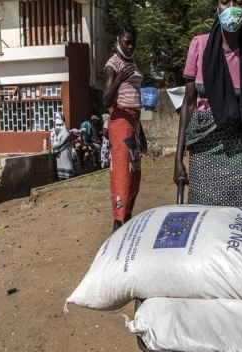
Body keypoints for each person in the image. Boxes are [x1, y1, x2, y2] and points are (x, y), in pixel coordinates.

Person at [174, 0, 242, 209]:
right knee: (203, 217)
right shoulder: (199, 45)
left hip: (240, 152)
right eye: (225, 2)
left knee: (238, 223)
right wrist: (178, 159)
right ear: (217, 6)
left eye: (239, 2)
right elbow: (187, 105)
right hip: (203, 151)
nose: (231, 8)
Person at [103, 21, 147, 233]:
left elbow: (135, 100)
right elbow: (106, 101)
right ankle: (117, 229)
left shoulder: (133, 63)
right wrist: (119, 78)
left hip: (133, 125)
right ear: (118, 40)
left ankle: (127, 222)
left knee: (133, 175)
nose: (130, 46)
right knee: (122, 177)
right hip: (120, 124)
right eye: (127, 42)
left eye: (133, 43)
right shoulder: (113, 65)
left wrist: (141, 132)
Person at [51, 112, 74, 180]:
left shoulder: (54, 128)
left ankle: (62, 178)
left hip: (58, 151)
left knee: (61, 165)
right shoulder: (62, 127)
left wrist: (56, 147)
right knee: (67, 164)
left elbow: (54, 140)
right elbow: (66, 136)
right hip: (64, 149)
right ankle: (68, 177)